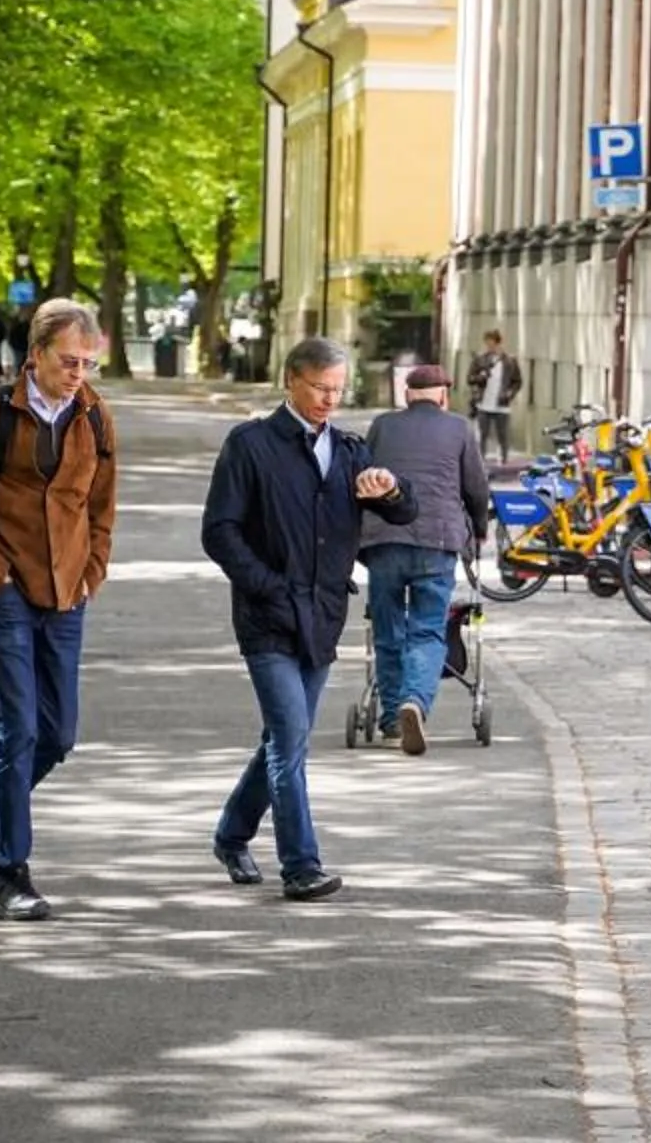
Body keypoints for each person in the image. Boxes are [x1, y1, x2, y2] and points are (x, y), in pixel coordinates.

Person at [0, 300, 120, 922]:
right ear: (34, 354)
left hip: (67, 595)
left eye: (88, 363)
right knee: (20, 728)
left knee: (58, 735)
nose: (78, 373)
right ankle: (12, 873)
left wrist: (91, 572)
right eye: (68, 361)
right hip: (3, 593)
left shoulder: (94, 416)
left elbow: (102, 508)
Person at [201, 335, 415, 900]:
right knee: (291, 737)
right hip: (267, 616)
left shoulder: (346, 450)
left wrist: (390, 488)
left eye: (338, 390)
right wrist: (267, 585)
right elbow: (218, 531)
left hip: (322, 615)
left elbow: (402, 506)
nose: (329, 399)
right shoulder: (249, 445)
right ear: (292, 380)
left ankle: (231, 833)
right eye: (320, 388)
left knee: (283, 738)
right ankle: (300, 865)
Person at [359, 363, 494, 754]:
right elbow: (476, 487)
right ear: (444, 396)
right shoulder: (458, 428)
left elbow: (364, 475)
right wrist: (480, 527)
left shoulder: (382, 425)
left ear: (407, 395)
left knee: (387, 630)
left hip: (383, 539)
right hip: (437, 541)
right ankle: (414, 701)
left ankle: (389, 720)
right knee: (428, 629)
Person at [467, 329, 521, 458]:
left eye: (492, 343)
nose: (489, 346)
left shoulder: (510, 361)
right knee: (482, 434)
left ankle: (504, 459)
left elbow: (517, 382)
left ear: (498, 343)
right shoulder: (480, 360)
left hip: (502, 404)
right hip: (483, 403)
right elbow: (470, 379)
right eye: (487, 343)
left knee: (503, 435)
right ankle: (480, 461)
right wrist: (480, 377)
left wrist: (510, 393)